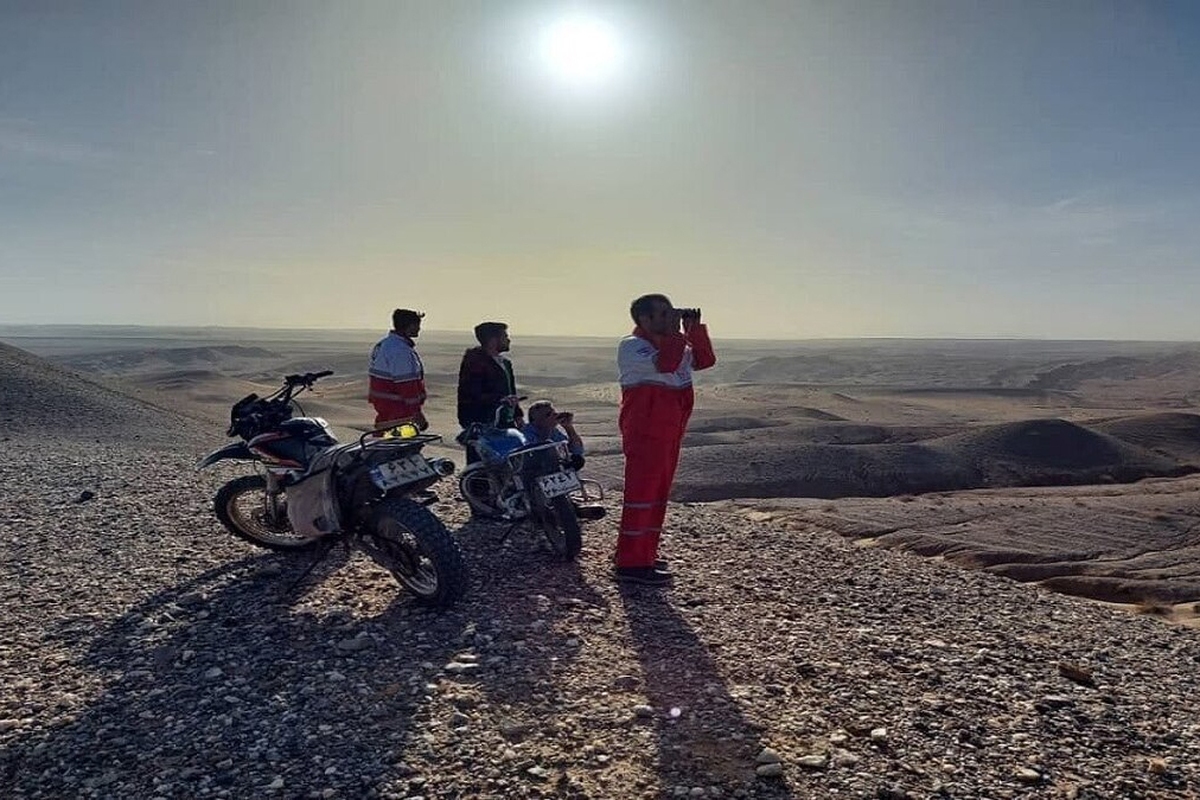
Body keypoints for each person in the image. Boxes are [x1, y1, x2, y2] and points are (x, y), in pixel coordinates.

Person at [614, 294, 716, 586]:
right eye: (662, 314)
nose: (669, 318)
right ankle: (631, 565)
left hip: (668, 430)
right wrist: (675, 334)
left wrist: (694, 330)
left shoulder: (673, 342)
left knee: (656, 496)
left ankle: (640, 554)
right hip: (646, 431)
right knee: (641, 496)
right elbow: (667, 365)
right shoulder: (633, 346)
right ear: (644, 319)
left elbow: (704, 361)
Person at [457, 321, 523, 463]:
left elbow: (510, 390)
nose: (508, 340)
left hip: (505, 422)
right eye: (505, 336)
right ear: (493, 340)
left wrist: (517, 414)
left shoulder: (505, 364)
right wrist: (500, 400)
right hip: (483, 423)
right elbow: (471, 393)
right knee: (482, 466)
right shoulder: (475, 362)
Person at [368, 308, 428, 432]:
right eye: (417, 325)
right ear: (409, 326)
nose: (419, 329)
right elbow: (407, 385)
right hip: (399, 409)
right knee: (401, 445)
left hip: (386, 406)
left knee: (385, 440)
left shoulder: (385, 344)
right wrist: (416, 413)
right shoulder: (400, 350)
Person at [522, 400, 585, 470]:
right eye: (548, 415)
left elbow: (577, 450)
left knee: (578, 460)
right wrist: (548, 427)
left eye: (554, 414)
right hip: (537, 470)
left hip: (557, 468)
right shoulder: (526, 432)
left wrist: (568, 427)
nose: (553, 417)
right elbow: (540, 451)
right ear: (534, 417)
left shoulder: (554, 431)